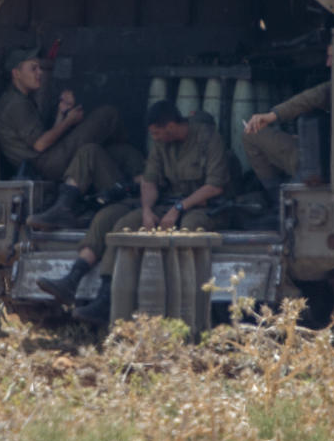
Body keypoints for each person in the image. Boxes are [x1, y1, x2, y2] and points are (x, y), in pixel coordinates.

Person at [71, 100, 231, 325]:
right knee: (125, 224)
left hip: (208, 207)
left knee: (189, 232)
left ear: (170, 127)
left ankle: (184, 310)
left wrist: (179, 208)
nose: (154, 138)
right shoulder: (162, 145)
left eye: (157, 133)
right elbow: (149, 180)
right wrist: (146, 210)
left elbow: (215, 186)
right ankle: (106, 298)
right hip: (170, 204)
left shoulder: (208, 139)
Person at [0, 46, 141, 229]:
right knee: (108, 115)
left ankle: (122, 179)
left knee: (110, 152)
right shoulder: (16, 104)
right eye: (33, 68)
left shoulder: (20, 99)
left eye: (39, 68)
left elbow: (41, 138)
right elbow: (40, 145)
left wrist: (61, 114)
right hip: (45, 163)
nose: (39, 72)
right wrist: (69, 122)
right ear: (16, 73)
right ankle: (124, 179)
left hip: (45, 159)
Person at [242, 46, 332, 198]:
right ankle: (276, 197)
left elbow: (311, 98)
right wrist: (273, 115)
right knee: (251, 135)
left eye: (332, 57)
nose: (328, 63)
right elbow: (307, 99)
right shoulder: (332, 86)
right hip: (308, 154)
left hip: (329, 164)